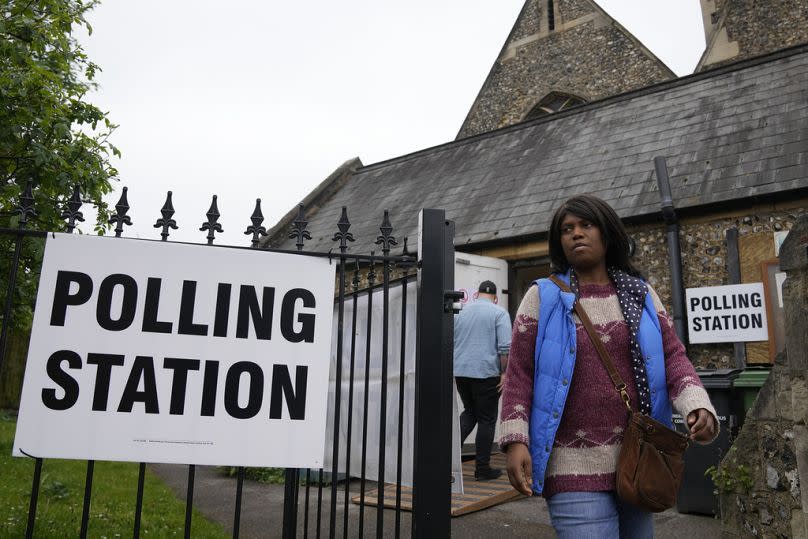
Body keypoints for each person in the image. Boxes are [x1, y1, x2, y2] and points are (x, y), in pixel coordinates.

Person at [499, 194, 719, 537]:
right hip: (569, 466)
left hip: (638, 461)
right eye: (567, 229)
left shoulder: (641, 295)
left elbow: (673, 356)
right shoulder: (542, 296)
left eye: (586, 225)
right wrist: (515, 440)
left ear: (607, 233)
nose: (576, 234)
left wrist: (697, 405)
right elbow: (518, 375)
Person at [454, 280, 512, 480]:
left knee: (470, 412)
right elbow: (505, 348)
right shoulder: (499, 313)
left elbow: (452, 339)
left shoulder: (461, 311)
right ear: (495, 298)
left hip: (461, 371)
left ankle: (447, 460)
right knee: (487, 419)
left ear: (477, 294)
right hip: (486, 374)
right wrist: (504, 373)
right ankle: (483, 468)